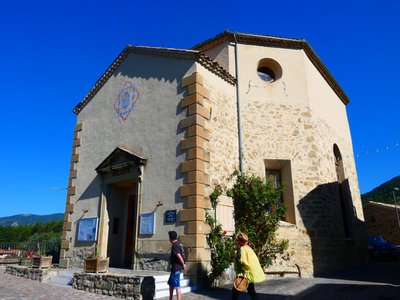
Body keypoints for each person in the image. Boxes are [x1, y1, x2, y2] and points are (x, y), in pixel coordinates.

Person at [232, 232, 266, 300]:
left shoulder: (242, 249)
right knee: (251, 291)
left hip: (244, 273)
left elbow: (243, 261)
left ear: (239, 241)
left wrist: (238, 260)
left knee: (236, 290)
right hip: (249, 273)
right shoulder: (249, 248)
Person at [168, 231, 187, 300]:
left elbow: (179, 255)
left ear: (170, 238)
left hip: (176, 268)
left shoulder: (175, 245)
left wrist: (183, 264)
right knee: (171, 283)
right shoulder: (179, 244)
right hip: (175, 268)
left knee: (177, 286)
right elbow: (183, 255)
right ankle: (170, 298)